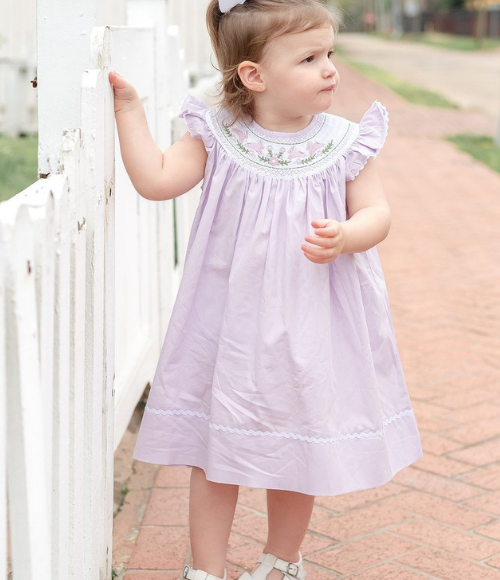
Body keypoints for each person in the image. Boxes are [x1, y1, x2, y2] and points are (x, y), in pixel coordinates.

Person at [109, 1, 423, 579]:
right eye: (309, 58)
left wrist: (349, 235)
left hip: (309, 323)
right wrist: (129, 110)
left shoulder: (345, 143)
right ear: (255, 76)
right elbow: (156, 179)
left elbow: (378, 214)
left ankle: (282, 560)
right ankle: (205, 567)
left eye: (330, 53)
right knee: (214, 450)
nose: (330, 68)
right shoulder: (221, 135)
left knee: (296, 447)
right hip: (227, 322)